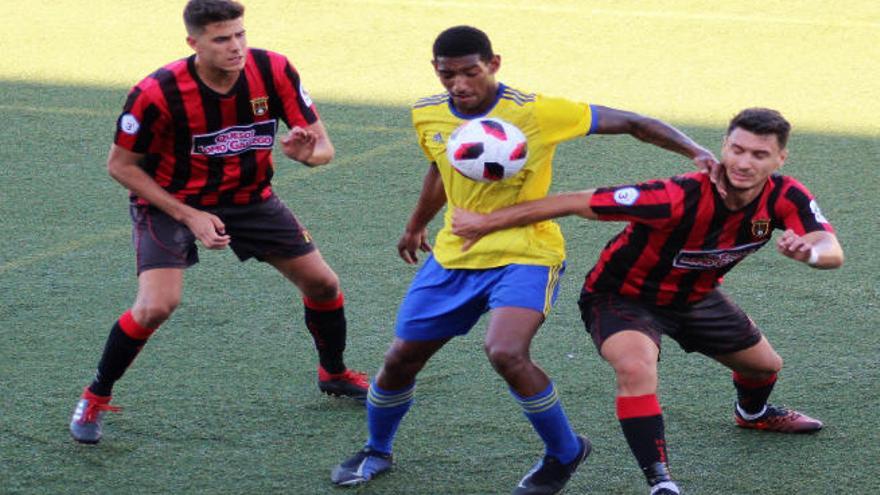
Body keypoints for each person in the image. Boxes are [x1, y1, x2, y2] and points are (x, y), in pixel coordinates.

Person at [331, 25, 722, 494]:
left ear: (494, 64)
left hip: (527, 252)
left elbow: (633, 122)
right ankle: (377, 449)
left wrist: (696, 151)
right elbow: (441, 166)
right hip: (457, 254)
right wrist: (417, 223)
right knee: (400, 359)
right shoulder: (427, 114)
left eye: (470, 72)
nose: (459, 85)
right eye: (447, 74)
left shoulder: (536, 112)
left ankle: (564, 451)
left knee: (506, 351)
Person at [451, 107, 844, 494]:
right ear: (724, 146)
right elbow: (573, 201)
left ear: (780, 158)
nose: (744, 162)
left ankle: (752, 413)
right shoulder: (675, 196)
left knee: (764, 367)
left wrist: (809, 253)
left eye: (759, 155)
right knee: (637, 367)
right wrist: (485, 223)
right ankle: (662, 483)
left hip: (695, 297)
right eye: (737, 149)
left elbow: (831, 248)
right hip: (621, 297)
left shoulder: (785, 195)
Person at [68, 0, 369, 445]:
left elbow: (322, 145)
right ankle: (95, 396)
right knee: (156, 306)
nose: (236, 47)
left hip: (250, 199)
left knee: (323, 284)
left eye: (240, 34)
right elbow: (122, 166)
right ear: (194, 43)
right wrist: (190, 216)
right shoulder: (156, 92)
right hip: (172, 202)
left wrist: (310, 156)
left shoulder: (274, 70)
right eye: (222, 39)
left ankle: (334, 371)